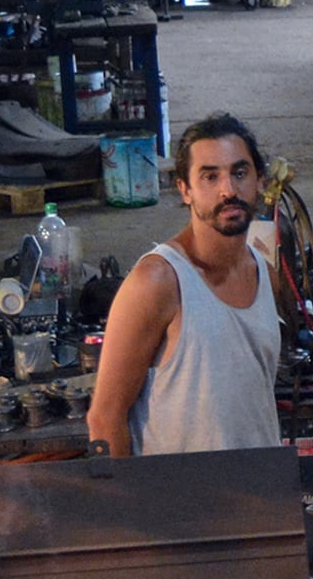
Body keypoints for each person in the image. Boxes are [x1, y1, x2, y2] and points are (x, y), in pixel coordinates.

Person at [88, 112, 282, 456]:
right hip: (182, 503)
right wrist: (123, 506)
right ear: (185, 190)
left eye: (240, 173)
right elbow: (105, 418)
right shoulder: (159, 280)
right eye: (210, 177)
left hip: (261, 495)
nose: (228, 190)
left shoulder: (263, 267)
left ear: (260, 181)